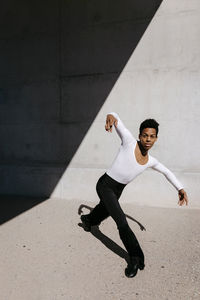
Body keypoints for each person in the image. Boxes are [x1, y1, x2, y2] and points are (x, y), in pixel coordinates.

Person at [81, 112, 188, 278]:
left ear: (156, 139)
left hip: (117, 191)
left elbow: (166, 172)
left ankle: (88, 220)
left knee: (107, 208)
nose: (148, 139)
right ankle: (136, 257)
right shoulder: (129, 142)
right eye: (145, 135)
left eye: (152, 136)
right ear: (139, 135)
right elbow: (116, 118)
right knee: (121, 221)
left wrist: (180, 188)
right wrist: (111, 116)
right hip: (105, 185)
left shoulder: (151, 161)